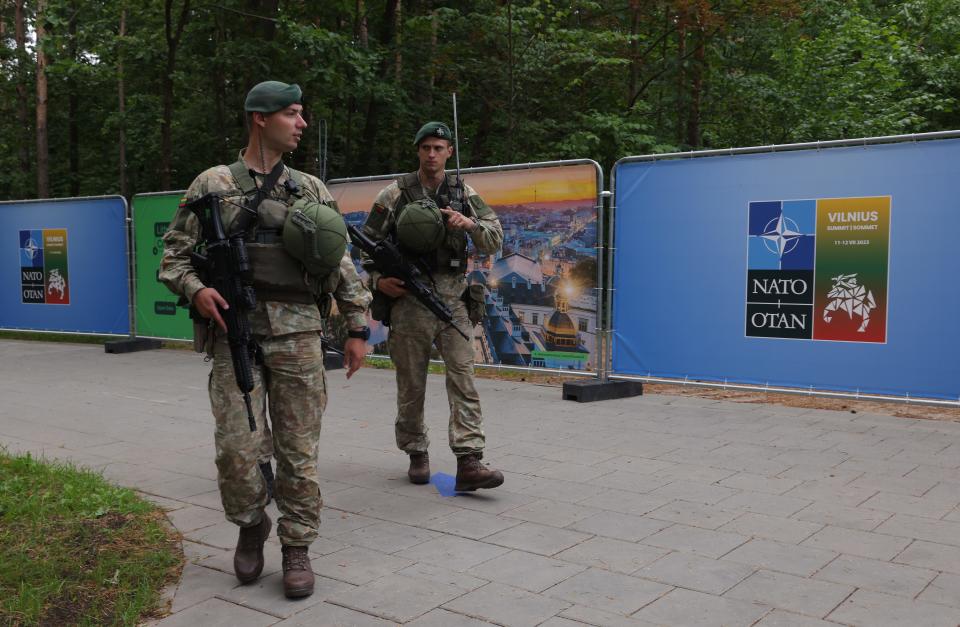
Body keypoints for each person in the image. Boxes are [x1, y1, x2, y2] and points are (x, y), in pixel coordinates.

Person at [159, 81, 371, 599]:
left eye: (301, 115)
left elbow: (339, 263)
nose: (301, 123)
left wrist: (358, 325)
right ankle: (251, 523)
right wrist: (198, 289)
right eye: (292, 114)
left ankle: (297, 546)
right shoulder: (212, 184)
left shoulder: (311, 188)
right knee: (237, 449)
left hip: (299, 334)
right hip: (236, 335)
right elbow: (173, 258)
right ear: (260, 118)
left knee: (299, 452)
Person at [361, 121, 504, 491]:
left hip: (454, 299)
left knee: (464, 378)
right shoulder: (395, 193)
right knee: (411, 384)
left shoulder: (464, 193)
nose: (431, 154)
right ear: (418, 151)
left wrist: (468, 224)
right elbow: (365, 245)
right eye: (425, 147)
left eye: (438, 148)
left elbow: (493, 239)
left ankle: (469, 459)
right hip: (410, 300)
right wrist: (379, 282)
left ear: (449, 152)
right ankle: (416, 450)